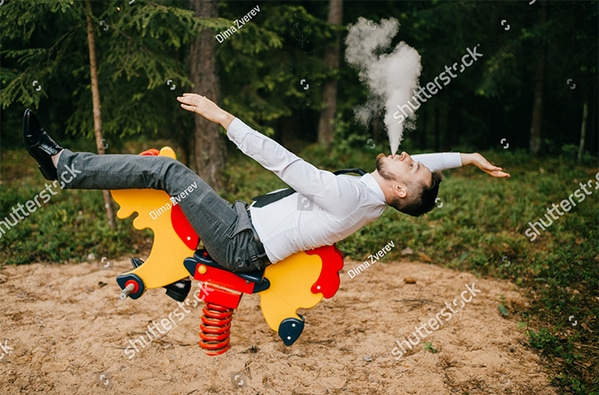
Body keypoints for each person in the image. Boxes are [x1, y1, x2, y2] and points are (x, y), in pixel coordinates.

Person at [23, 93, 510, 274]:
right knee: (170, 174)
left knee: (168, 171)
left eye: (412, 166)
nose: (408, 156)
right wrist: (467, 158)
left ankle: (62, 164)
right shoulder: (374, 196)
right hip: (243, 222)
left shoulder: (348, 195)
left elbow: (282, 161)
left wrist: (222, 117)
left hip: (240, 243)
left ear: (401, 189)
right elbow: (420, 168)